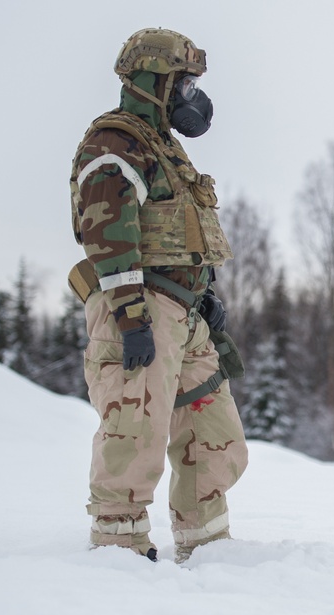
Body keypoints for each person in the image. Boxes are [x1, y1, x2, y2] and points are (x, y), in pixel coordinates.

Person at [67, 28, 248, 564]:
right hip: (139, 309)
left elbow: (179, 235)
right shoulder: (114, 144)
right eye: (184, 83)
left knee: (214, 432)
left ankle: (206, 547)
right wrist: (130, 316)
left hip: (182, 313)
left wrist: (205, 296)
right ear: (155, 82)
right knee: (134, 430)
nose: (191, 96)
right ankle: (119, 549)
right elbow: (107, 229)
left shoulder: (163, 149)